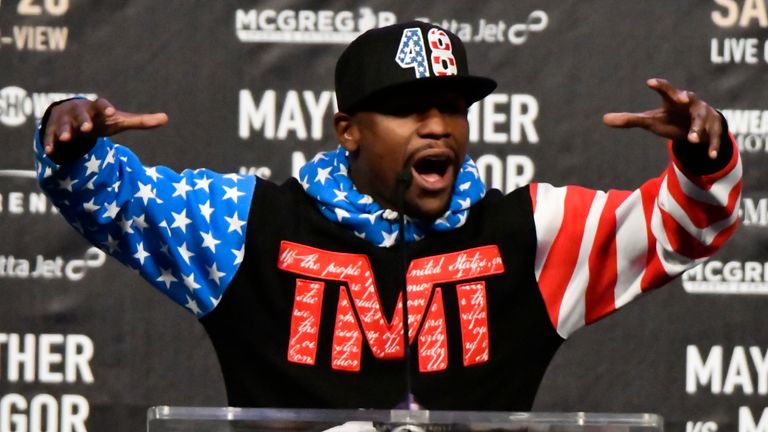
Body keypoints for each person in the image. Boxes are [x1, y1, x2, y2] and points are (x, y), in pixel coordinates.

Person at [34, 21, 741, 410]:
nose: (438, 128)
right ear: (348, 130)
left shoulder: (528, 233)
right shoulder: (249, 225)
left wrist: (705, 160)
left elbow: (682, 226)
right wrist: (71, 140)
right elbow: (112, 201)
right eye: (408, 109)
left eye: (453, 108)